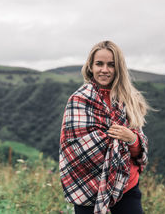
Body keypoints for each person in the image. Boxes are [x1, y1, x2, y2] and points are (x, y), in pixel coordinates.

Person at [59, 40, 149, 214]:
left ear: (118, 69)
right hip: (87, 188)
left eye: (111, 65)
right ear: (91, 66)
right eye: (99, 64)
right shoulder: (78, 100)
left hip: (127, 188)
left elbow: (139, 151)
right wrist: (114, 143)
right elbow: (74, 149)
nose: (105, 70)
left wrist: (131, 139)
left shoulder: (128, 101)